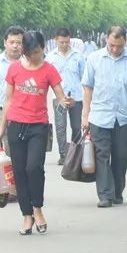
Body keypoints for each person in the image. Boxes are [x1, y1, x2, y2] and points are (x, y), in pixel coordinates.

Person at [0, 30, 72, 235]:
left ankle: (37, 208)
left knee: (34, 168)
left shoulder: (49, 69)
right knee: (19, 171)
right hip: (16, 125)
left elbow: (60, 95)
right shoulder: (14, 69)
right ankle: (27, 215)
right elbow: (8, 100)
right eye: (28, 53)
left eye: (36, 52)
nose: (33, 56)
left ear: (43, 48)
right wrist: (2, 128)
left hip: (38, 126)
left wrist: (66, 102)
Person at [82, 26, 127, 208]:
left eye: (119, 46)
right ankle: (105, 195)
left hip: (124, 117)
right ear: (107, 39)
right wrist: (85, 115)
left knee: (121, 156)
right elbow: (87, 87)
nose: (115, 49)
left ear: (125, 41)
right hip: (99, 116)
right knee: (102, 155)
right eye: (112, 45)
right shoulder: (94, 58)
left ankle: (117, 191)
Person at [47, 28, 86, 165]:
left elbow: (84, 77)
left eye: (67, 42)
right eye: (61, 42)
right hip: (59, 99)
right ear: (56, 40)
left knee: (76, 126)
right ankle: (63, 155)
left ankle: (76, 154)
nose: (64, 44)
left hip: (76, 97)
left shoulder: (78, 56)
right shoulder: (50, 58)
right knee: (60, 126)